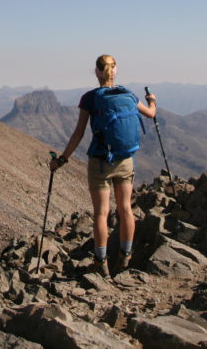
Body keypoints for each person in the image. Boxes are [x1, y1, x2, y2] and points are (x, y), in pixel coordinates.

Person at [50, 54, 157, 276]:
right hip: (126, 160)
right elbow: (150, 114)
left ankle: (101, 262)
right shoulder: (128, 94)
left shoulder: (90, 98)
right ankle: (125, 257)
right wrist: (152, 100)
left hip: (100, 162)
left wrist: (62, 159)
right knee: (126, 208)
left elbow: (78, 133)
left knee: (101, 213)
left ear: (97, 72)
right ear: (115, 71)